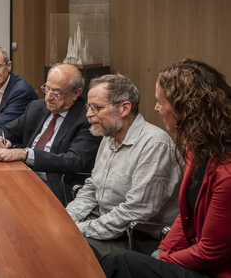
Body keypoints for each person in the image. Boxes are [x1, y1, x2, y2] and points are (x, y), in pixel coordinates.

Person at [101, 59, 231, 278]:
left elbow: (210, 254)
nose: (156, 108)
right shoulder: (195, 146)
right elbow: (186, 216)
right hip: (194, 257)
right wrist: (160, 251)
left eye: (160, 102)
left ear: (185, 109)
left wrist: (163, 259)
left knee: (119, 262)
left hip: (216, 271)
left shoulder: (226, 174)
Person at [65, 73, 181, 261]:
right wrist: (66, 219)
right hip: (104, 220)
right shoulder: (109, 136)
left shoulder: (154, 144)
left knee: (66, 250)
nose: (88, 114)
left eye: (96, 107)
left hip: (135, 236)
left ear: (124, 108)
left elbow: (135, 211)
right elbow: (93, 187)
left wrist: (79, 229)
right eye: (88, 107)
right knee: (48, 233)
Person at [0, 64, 102, 205]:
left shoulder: (87, 119)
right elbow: (5, 129)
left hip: (53, 186)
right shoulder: (37, 107)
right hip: (22, 175)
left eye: (56, 93)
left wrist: (26, 154)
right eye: (47, 89)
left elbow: (73, 161)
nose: (48, 97)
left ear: (76, 93)